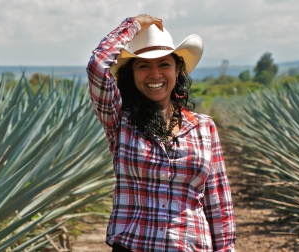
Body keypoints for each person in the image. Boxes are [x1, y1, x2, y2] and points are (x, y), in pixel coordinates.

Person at [87, 14, 236, 252]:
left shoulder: (204, 127)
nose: (155, 74)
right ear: (132, 74)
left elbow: (218, 204)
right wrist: (134, 25)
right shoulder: (120, 122)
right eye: (144, 65)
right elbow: (98, 66)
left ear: (177, 70)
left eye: (164, 64)